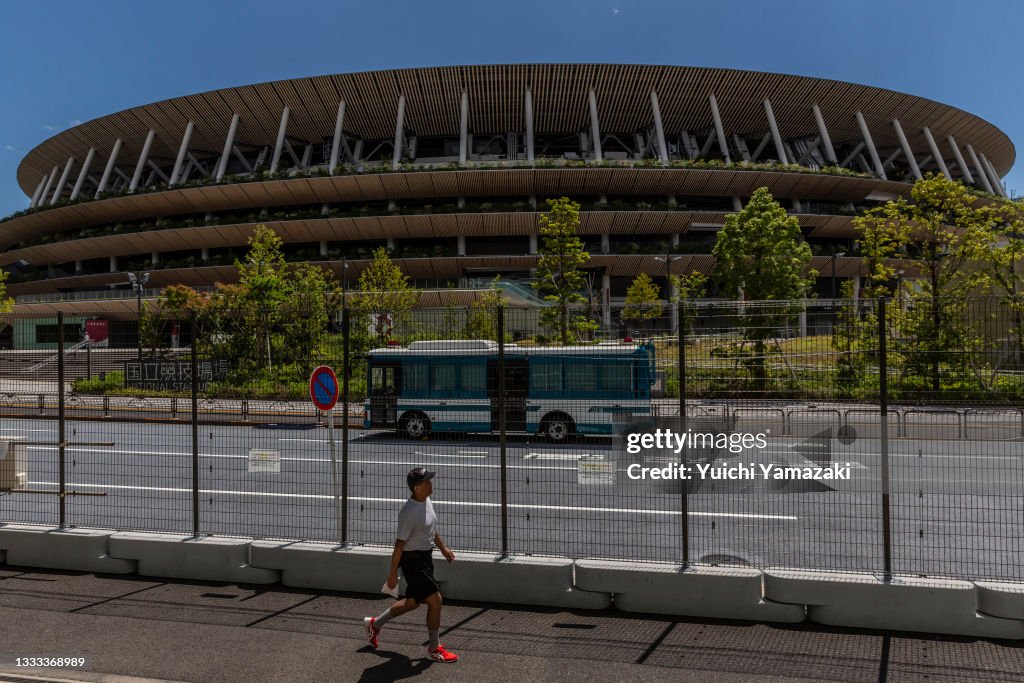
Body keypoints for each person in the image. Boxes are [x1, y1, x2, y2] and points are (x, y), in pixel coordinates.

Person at [364, 467, 459, 663]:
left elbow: (431, 529)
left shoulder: (426, 501)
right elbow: (398, 546)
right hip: (413, 561)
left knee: (413, 602)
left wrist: (444, 549)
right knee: (436, 600)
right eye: (426, 482)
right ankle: (434, 648)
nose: (431, 483)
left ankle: (375, 624)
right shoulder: (408, 512)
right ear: (416, 488)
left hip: (425, 558)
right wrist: (392, 575)